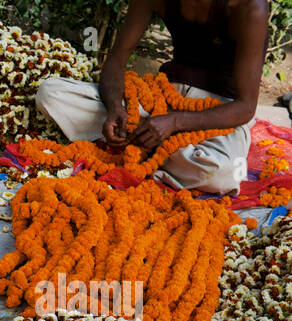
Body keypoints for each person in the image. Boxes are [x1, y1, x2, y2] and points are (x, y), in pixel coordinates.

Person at [36, 0, 269, 195]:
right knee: (51, 94)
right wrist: (115, 108)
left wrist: (175, 123)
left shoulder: (249, 7)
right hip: (161, 97)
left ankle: (147, 148)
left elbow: (245, 107)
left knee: (222, 174)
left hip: (219, 110)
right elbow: (117, 60)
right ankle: (155, 146)